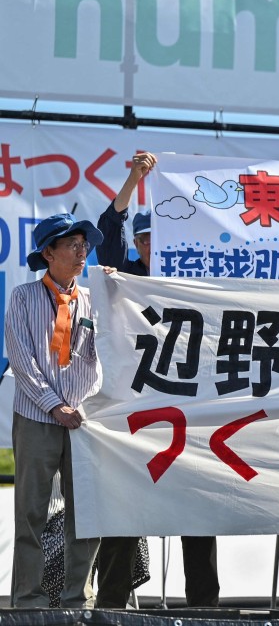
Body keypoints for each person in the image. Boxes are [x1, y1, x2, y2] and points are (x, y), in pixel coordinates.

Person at [94, 151, 220, 608]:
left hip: (191, 407)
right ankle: (110, 606)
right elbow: (109, 230)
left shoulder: (198, 284)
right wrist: (133, 178)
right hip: (136, 409)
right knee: (125, 509)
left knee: (198, 512)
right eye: (144, 239)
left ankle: (204, 608)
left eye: (159, 237)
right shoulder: (124, 277)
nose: (151, 246)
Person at [6, 213, 105, 607]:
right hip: (36, 417)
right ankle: (27, 600)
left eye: (85, 245)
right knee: (31, 512)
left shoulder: (96, 298)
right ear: (49, 252)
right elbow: (21, 360)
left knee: (87, 513)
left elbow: (109, 355)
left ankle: (78, 597)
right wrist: (54, 404)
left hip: (84, 420)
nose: (83, 252)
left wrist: (83, 405)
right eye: (73, 245)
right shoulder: (23, 296)